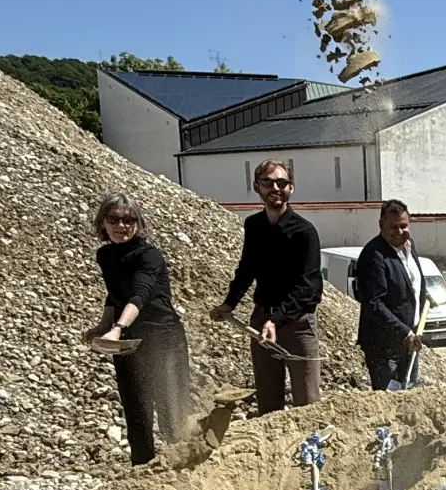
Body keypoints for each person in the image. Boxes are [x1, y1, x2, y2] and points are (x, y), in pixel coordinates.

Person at [82, 193, 192, 465]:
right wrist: (103, 326)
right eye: (114, 219)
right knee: (137, 412)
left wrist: (117, 328)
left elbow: (139, 295)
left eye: (129, 219)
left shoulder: (149, 256)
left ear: (138, 222)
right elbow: (115, 295)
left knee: (171, 413)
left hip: (163, 339)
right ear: (103, 223)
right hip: (129, 342)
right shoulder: (105, 255)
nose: (122, 226)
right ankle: (141, 480)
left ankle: (185, 473)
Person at [210, 159, 323, 414]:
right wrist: (230, 303)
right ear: (257, 187)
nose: (275, 188)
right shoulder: (254, 226)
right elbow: (247, 268)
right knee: (268, 401)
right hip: (262, 320)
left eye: (281, 183)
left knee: (307, 403)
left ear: (291, 188)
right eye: (268, 182)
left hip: (298, 324)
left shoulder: (305, 232)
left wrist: (277, 319)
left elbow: (308, 286)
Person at [356, 200, 430, 390]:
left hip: (409, 341)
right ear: (381, 225)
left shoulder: (409, 246)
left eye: (403, 226)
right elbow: (373, 303)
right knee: (389, 400)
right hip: (384, 348)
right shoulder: (373, 255)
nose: (399, 232)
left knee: (409, 396)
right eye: (393, 227)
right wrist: (404, 332)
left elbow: (412, 284)